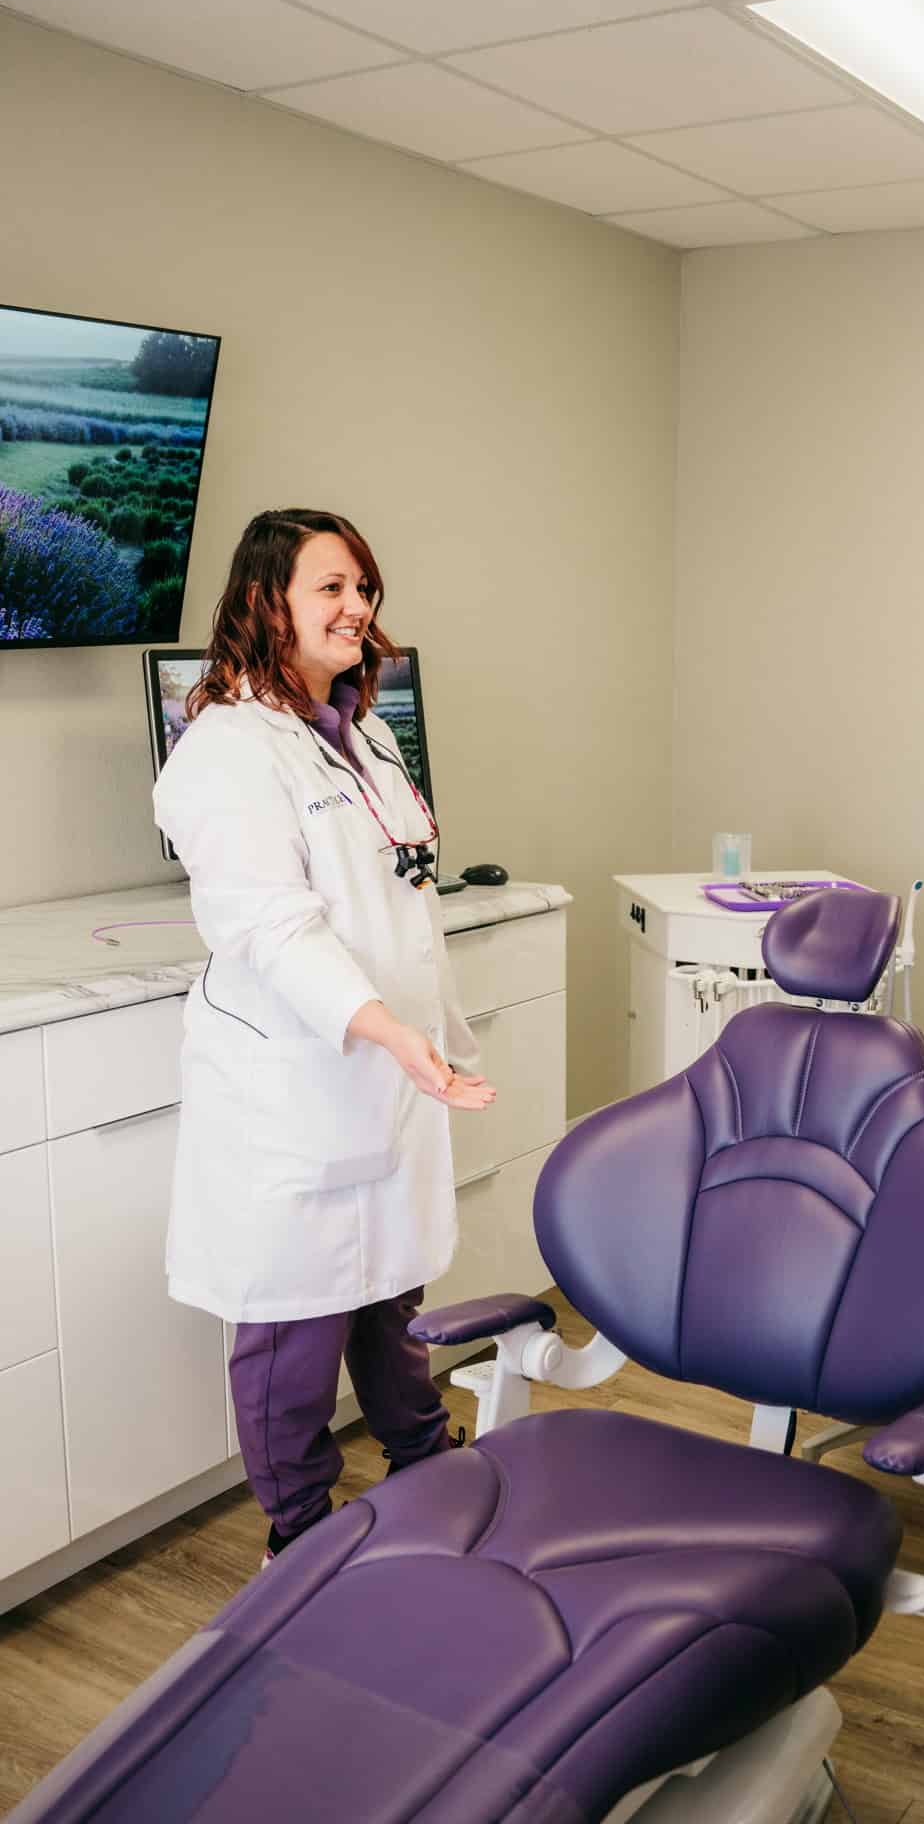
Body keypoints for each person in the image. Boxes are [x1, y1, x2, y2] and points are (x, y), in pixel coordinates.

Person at [154, 508, 496, 1568]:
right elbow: (269, 927)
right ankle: (299, 1539)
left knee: (388, 1296)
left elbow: (401, 894)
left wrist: (433, 1034)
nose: (358, 609)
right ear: (268, 604)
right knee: (293, 1327)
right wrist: (391, 1032)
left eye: (365, 589)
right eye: (332, 588)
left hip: (382, 1070)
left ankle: (426, 1474)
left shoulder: (363, 731)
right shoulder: (224, 752)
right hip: (294, 1083)